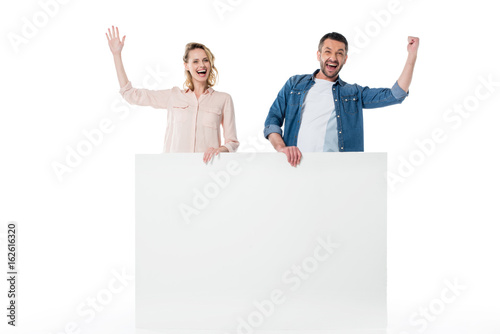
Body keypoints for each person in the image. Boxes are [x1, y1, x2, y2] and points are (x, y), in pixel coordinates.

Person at [264, 32, 419, 167]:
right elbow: (272, 121)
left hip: (337, 171)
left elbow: (395, 95)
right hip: (296, 167)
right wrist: (281, 148)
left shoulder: (352, 93)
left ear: (345, 59)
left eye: (339, 53)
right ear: (319, 55)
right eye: (328, 51)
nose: (333, 57)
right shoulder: (295, 84)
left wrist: (412, 55)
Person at [106, 26, 239, 163]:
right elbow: (130, 94)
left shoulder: (224, 99)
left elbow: (233, 142)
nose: (202, 65)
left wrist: (219, 149)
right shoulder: (174, 96)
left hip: (206, 171)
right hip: (173, 171)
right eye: (195, 61)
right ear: (186, 66)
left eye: (205, 60)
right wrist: (116, 55)